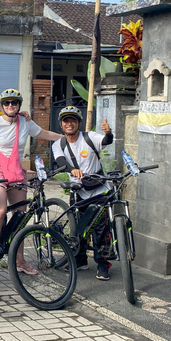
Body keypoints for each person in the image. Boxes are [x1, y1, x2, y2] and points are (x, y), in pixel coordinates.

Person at [0, 88, 63, 275]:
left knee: (21, 216)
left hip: (15, 169)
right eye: (7, 103)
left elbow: (44, 134)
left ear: (19, 105)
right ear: (2, 106)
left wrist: (66, 138)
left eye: (14, 102)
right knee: (1, 211)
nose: (11, 105)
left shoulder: (25, 122)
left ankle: (19, 260)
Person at [52, 106, 114, 281]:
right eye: (66, 121)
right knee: (78, 227)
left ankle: (102, 264)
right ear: (61, 124)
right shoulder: (59, 144)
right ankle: (80, 260)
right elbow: (61, 161)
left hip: (99, 190)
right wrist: (72, 170)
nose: (69, 124)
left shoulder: (89, 137)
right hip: (78, 191)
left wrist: (109, 133)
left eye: (73, 120)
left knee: (101, 229)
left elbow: (106, 141)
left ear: (79, 123)